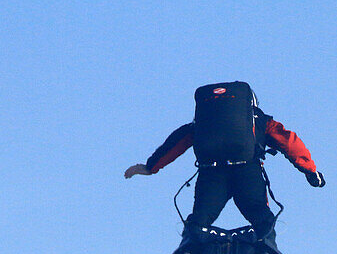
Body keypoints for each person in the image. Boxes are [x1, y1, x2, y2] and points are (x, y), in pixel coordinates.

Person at [124, 82, 324, 245]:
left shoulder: (202, 124)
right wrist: (310, 170)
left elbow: (177, 140)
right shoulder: (260, 119)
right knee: (261, 217)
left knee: (200, 220)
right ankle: (266, 252)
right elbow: (288, 141)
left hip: (211, 173)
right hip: (247, 171)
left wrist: (151, 167)